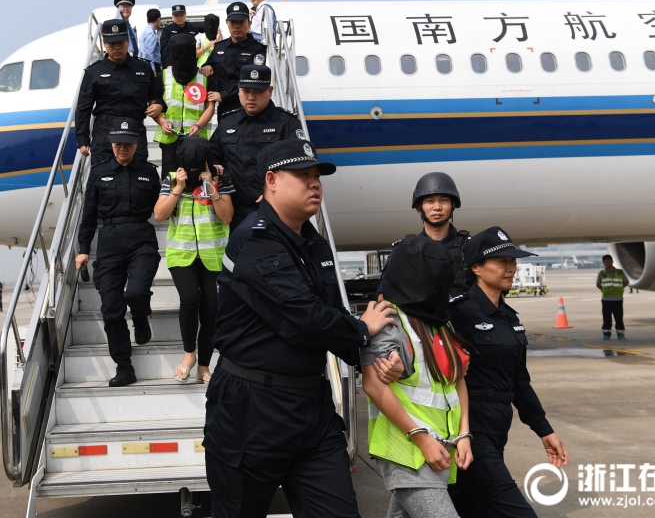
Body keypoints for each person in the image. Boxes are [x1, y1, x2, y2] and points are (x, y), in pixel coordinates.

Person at [205, 138, 401, 518]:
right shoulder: (256, 239)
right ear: (272, 181)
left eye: (317, 176)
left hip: (312, 408)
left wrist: (371, 361)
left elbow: (330, 315)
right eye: (303, 176)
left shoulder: (314, 244)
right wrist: (362, 332)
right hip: (251, 409)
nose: (315, 184)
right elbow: (304, 317)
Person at [446, 226, 568, 518]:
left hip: (498, 427)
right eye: (502, 261)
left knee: (466, 507)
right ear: (476, 267)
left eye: (513, 261)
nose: (511, 268)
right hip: (470, 428)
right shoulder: (457, 314)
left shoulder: (509, 317)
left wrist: (544, 430)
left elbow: (519, 382)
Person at [362, 236, 473, 518]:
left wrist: (463, 435)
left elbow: (455, 381)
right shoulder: (388, 320)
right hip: (407, 452)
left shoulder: (440, 322)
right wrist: (421, 439)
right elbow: (373, 385)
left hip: (437, 449)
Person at [75, 119, 162, 387]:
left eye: (127, 143)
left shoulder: (149, 172)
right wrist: (83, 249)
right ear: (111, 143)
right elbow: (88, 215)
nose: (122, 148)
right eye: (117, 143)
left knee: (135, 293)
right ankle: (124, 366)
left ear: (136, 144)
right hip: (110, 242)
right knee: (111, 310)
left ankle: (139, 316)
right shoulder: (99, 173)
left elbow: (162, 208)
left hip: (141, 240)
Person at [153, 136, 234, 384]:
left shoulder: (221, 179)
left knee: (211, 309)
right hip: (182, 254)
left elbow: (227, 216)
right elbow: (159, 215)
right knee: (190, 299)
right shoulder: (170, 179)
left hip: (213, 255)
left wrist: (211, 187)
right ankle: (189, 354)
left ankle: (203, 366)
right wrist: (178, 188)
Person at [209, 64, 301, 231]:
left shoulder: (287, 122)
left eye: (257, 92)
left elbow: (298, 165)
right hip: (234, 210)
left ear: (270, 91)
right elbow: (211, 154)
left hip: (275, 208)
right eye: (246, 92)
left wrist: (276, 192)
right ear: (238, 90)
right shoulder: (227, 122)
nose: (251, 97)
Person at [75, 19, 166, 166]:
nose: (117, 47)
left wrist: (160, 105)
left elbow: (156, 96)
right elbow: (83, 108)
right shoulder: (94, 72)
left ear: (128, 41)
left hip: (135, 131)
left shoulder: (143, 68)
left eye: (121, 42)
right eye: (112, 43)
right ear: (104, 43)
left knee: (137, 179)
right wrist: (83, 140)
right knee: (103, 179)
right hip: (105, 133)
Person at [378, 172, 471, 303]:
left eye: (444, 201)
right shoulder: (405, 250)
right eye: (429, 201)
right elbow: (384, 296)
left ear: (453, 206)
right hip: (423, 323)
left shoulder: (471, 247)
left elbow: (492, 295)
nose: (437, 207)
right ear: (419, 209)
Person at [154, 34, 216, 176]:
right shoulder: (163, 76)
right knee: (170, 181)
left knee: (197, 182)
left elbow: (210, 107)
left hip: (197, 140)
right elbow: (153, 104)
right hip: (170, 140)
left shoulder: (205, 77)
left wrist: (198, 125)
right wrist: (162, 122)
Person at [200, 2, 268, 117]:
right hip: (225, 109)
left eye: (241, 22)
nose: (237, 26)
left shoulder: (258, 50)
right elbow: (207, 65)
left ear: (249, 23)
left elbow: (252, 79)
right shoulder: (219, 47)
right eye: (233, 22)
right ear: (227, 23)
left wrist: (223, 95)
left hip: (248, 108)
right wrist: (207, 67)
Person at [597, 254, 629, 341]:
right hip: (606, 299)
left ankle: (620, 334)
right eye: (606, 262)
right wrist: (604, 290)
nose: (608, 263)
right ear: (604, 263)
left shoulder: (620, 272)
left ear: (612, 261)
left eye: (609, 261)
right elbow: (598, 284)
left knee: (618, 318)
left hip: (617, 299)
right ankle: (606, 334)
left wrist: (619, 288)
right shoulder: (602, 273)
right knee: (606, 318)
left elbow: (626, 282)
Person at [139, 8, 162, 74]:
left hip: (144, 63)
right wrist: (153, 69)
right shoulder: (151, 33)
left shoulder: (144, 32)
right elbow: (149, 53)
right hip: (152, 64)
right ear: (158, 20)